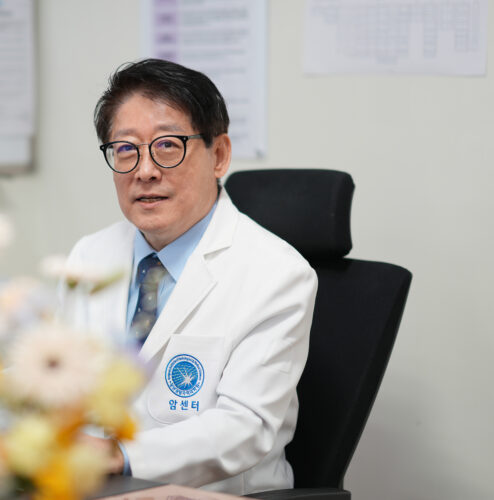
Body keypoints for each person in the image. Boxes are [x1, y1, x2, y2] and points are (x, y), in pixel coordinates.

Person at [62, 59, 317, 495]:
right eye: (126, 149)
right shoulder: (90, 255)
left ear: (219, 156)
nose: (144, 170)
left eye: (167, 145)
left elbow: (244, 426)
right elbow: (56, 381)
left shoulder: (278, 275)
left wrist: (119, 455)